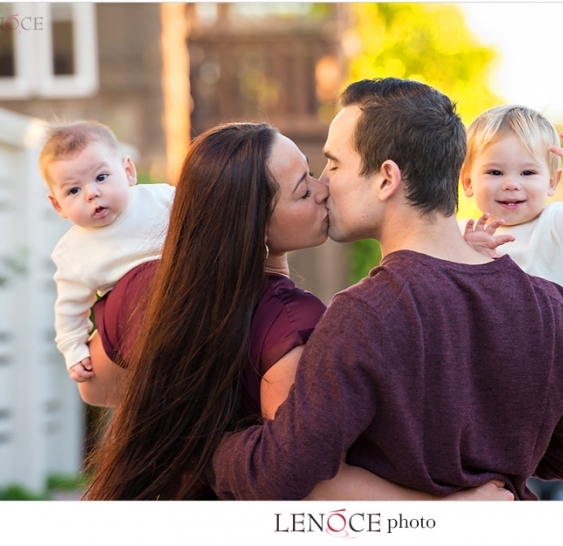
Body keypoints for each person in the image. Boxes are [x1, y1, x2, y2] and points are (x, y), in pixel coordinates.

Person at [203, 78, 563, 501]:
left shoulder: (366, 313)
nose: (324, 183)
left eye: (334, 164)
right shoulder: (558, 308)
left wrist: (207, 448)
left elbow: (278, 475)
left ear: (386, 179)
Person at [81, 122, 511, 501]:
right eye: (304, 190)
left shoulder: (145, 284)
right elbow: (307, 481)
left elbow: (94, 387)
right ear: (253, 224)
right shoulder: (291, 322)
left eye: (312, 171)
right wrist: (448, 512)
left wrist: (187, 409)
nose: (324, 188)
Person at [40, 121, 173, 382]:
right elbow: (70, 308)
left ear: (128, 171)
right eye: (73, 190)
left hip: (187, 293)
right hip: (135, 328)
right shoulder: (72, 252)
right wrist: (74, 350)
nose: (92, 193)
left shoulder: (163, 199)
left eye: (101, 177)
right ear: (58, 205)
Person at [459, 104, 563, 295]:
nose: (511, 184)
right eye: (495, 172)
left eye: (527, 172)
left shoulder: (562, 229)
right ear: (468, 182)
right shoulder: (459, 235)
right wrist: (466, 258)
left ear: (552, 181)